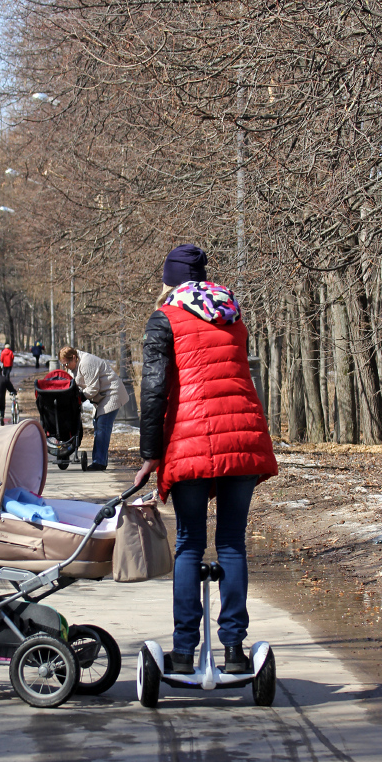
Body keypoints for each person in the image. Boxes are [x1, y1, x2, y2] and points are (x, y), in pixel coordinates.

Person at [134, 244, 278, 676]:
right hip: (243, 438)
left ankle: (182, 652)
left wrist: (149, 454)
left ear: (171, 278)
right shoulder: (233, 316)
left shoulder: (165, 319)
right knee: (232, 542)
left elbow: (154, 390)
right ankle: (234, 651)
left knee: (190, 544)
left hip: (191, 440)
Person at [58, 345, 129, 471]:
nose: (65, 367)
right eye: (63, 365)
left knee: (102, 426)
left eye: (67, 363)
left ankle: (99, 462)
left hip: (111, 393)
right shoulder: (73, 365)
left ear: (74, 357)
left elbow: (93, 388)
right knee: (98, 425)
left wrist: (79, 397)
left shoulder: (86, 362)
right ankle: (100, 460)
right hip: (101, 396)